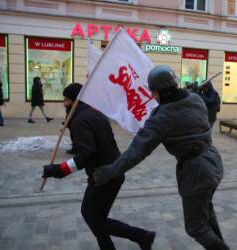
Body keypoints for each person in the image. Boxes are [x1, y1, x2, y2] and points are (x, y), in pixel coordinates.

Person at [93, 65, 229, 250]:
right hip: (212, 162)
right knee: (206, 213)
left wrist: (110, 171)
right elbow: (191, 107)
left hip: (196, 172)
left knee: (196, 227)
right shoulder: (196, 99)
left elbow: (136, 152)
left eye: (154, 93)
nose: (153, 97)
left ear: (157, 92)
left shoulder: (161, 117)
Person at [42, 83, 155, 250]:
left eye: (66, 100)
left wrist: (59, 170)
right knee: (92, 215)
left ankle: (142, 236)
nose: (64, 103)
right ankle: (117, 244)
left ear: (75, 100)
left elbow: (86, 153)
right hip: (110, 171)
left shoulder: (80, 120)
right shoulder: (94, 112)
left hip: (104, 174)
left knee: (94, 218)